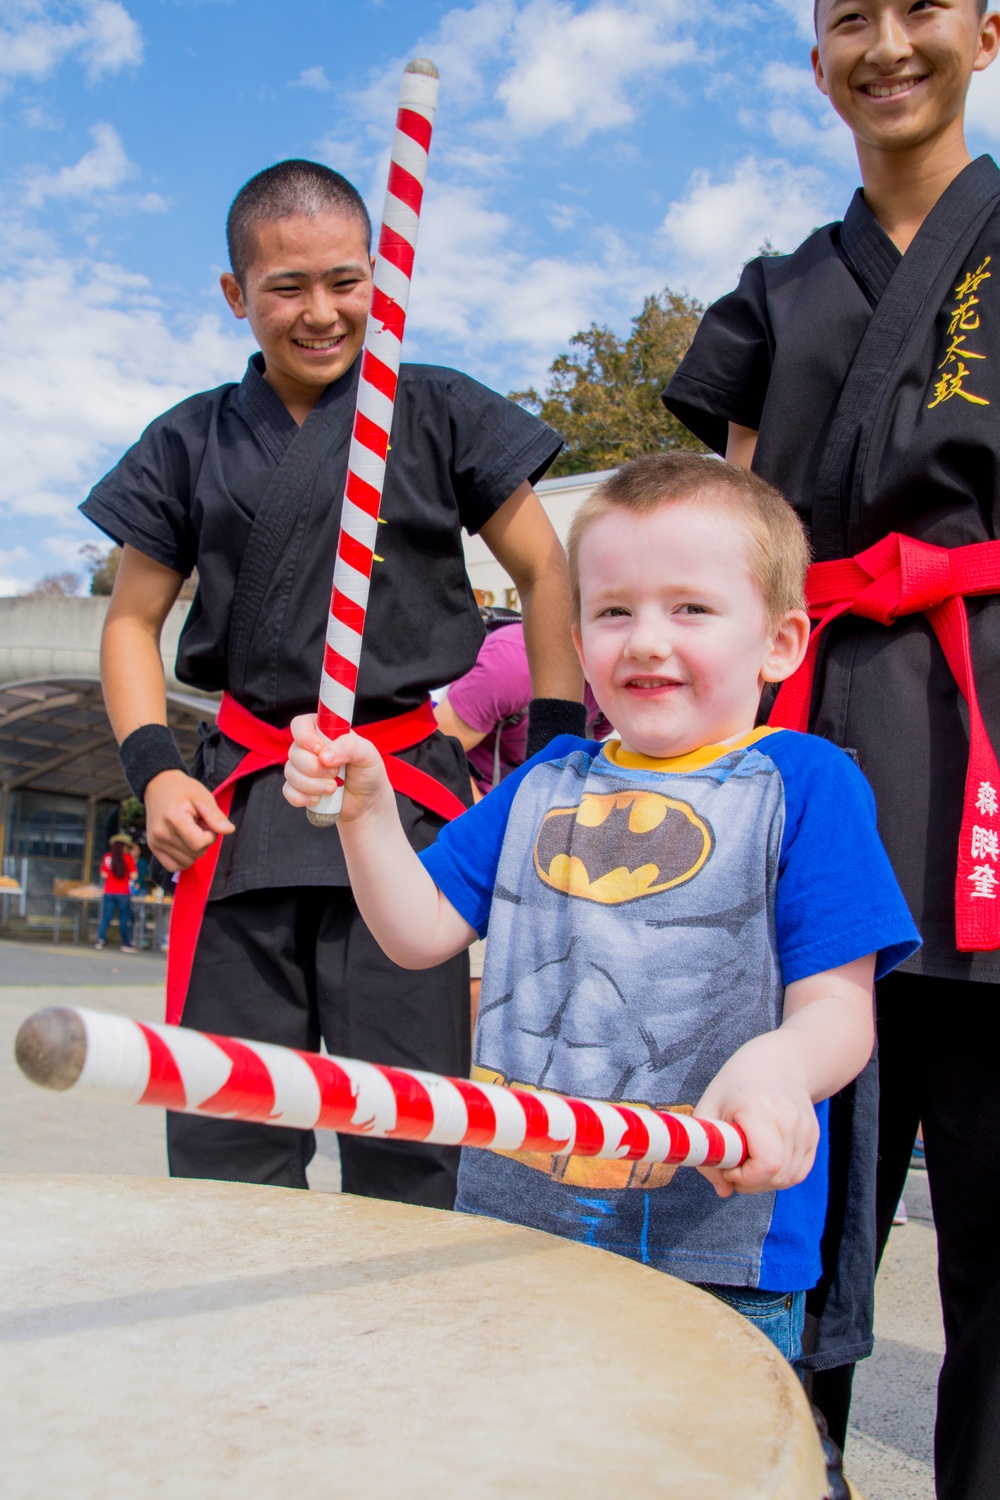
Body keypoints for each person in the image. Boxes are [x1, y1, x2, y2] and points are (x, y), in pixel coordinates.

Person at [283, 453, 919, 1365]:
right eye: (614, 611)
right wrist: (367, 814)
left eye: (690, 608)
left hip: (718, 1248)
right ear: (578, 644)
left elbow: (839, 1010)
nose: (647, 640)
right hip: (516, 1226)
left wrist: (781, 1069)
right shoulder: (545, 780)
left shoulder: (809, 784)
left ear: (782, 641)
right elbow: (417, 931)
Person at [81, 159, 583, 1208]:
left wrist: (551, 750)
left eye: (345, 282)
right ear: (236, 295)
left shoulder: (438, 411)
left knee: (410, 1133)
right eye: (286, 287)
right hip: (245, 807)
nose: (321, 313)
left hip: (405, 812)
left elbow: (547, 571)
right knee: (230, 1136)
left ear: (384, 277)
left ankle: (402, 1361)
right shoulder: (189, 441)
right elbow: (130, 620)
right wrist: (156, 772)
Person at [662, 1, 1000, 1486]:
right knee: (786, 1209)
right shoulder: (777, 291)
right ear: (816, 65)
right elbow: (730, 539)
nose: (887, 43)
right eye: (849, 17)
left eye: (919, 5)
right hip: (808, 770)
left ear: (987, 31)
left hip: (988, 748)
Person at [434, 615, 613, 796]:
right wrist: (484, 817)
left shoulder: (612, 687)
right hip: (474, 797)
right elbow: (436, 751)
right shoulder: (510, 665)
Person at [95, 834, 138, 952]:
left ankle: (100, 940)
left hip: (108, 891)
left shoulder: (107, 857)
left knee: (106, 917)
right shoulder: (128, 858)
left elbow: (103, 874)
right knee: (124, 918)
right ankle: (125, 943)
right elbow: (134, 876)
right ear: (123, 847)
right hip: (123, 892)